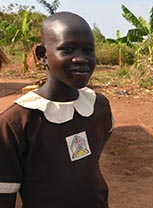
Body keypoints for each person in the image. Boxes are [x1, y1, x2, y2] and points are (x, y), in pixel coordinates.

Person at [0, 11, 114, 208]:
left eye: (88, 50)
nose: (81, 59)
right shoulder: (16, 123)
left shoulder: (98, 106)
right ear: (42, 55)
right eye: (68, 49)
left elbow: (101, 139)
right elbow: (5, 195)